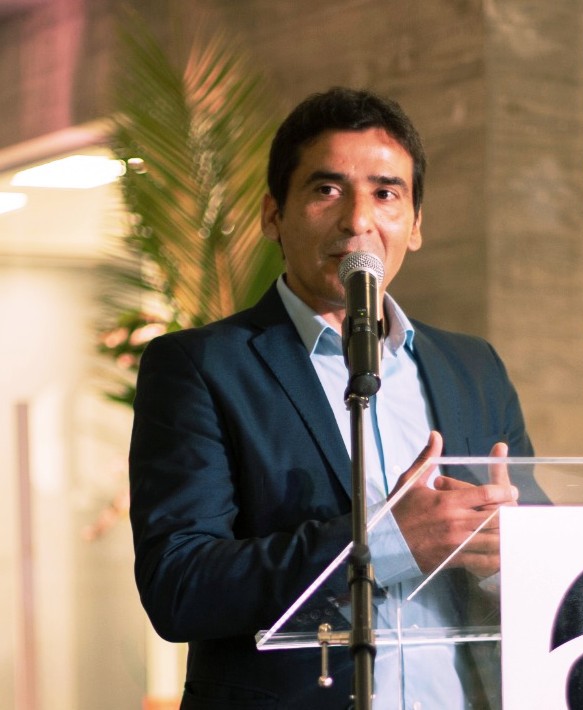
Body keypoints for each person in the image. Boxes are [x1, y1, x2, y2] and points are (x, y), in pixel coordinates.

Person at [129, 86, 546, 710]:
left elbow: (546, 562)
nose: (358, 220)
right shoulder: (202, 366)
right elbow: (179, 586)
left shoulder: (473, 368)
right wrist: (387, 542)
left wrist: (506, 554)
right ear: (273, 215)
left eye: (386, 193)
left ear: (416, 224)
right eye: (327, 190)